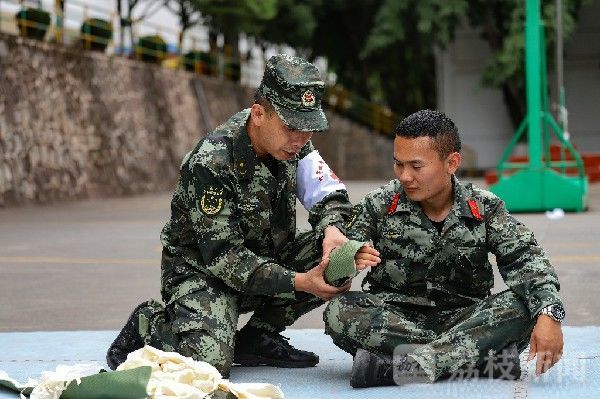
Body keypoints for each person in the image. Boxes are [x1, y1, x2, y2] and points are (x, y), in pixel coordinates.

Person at [106, 54, 354, 377]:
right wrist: (301, 282)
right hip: (205, 274)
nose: (300, 139)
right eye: (292, 126)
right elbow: (226, 259)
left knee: (345, 247)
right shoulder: (212, 162)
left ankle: (257, 337)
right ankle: (151, 324)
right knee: (210, 363)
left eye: (309, 129)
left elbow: (330, 194)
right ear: (259, 114)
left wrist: (332, 230)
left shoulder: (295, 146)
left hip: (265, 263)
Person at [324, 109, 565, 387]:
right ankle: (479, 359)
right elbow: (334, 274)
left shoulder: (485, 208)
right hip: (396, 320)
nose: (404, 176)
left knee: (523, 308)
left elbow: (526, 259)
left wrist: (549, 313)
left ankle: (399, 368)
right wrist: (347, 259)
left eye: (416, 166)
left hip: (466, 318)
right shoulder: (378, 204)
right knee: (340, 311)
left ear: (452, 162)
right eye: (398, 164)